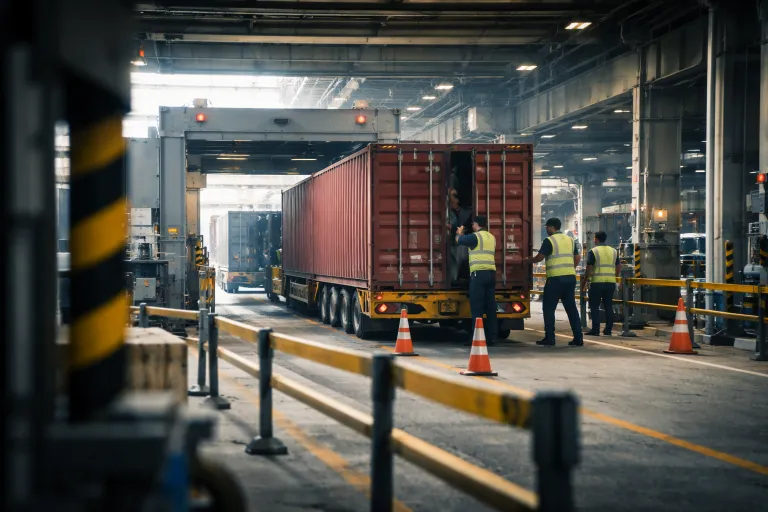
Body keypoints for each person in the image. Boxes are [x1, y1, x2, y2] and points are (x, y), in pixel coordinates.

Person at [524, 217, 583, 346]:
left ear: (552, 227)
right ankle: (578, 338)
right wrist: (569, 268)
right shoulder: (570, 240)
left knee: (549, 309)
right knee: (571, 308)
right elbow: (577, 258)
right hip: (570, 278)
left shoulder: (549, 240)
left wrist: (529, 260)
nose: (546, 229)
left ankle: (550, 338)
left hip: (555, 279)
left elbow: (539, 258)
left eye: (547, 227)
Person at [455, 216, 497, 343]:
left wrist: (459, 232)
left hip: (478, 275)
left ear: (476, 224)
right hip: (491, 274)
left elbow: (458, 240)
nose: (472, 226)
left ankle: (476, 338)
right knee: (490, 308)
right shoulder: (491, 237)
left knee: (476, 308)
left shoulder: (475, 237)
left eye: (473, 224)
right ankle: (491, 338)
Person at [582, 231, 620, 336]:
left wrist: (584, 281)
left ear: (596, 239)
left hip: (597, 283)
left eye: (594, 238)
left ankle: (595, 329)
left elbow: (589, 268)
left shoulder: (593, 251)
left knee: (594, 306)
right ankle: (608, 330)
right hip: (610, 283)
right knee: (608, 306)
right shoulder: (614, 251)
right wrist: (614, 277)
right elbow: (618, 267)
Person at [447, 188, 472, 282]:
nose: (451, 199)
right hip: (453, 242)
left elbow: (467, 225)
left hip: (463, 242)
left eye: (453, 196)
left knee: (463, 260)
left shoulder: (467, 212)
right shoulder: (448, 212)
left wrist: (454, 228)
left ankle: (462, 277)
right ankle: (454, 279)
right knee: (454, 262)